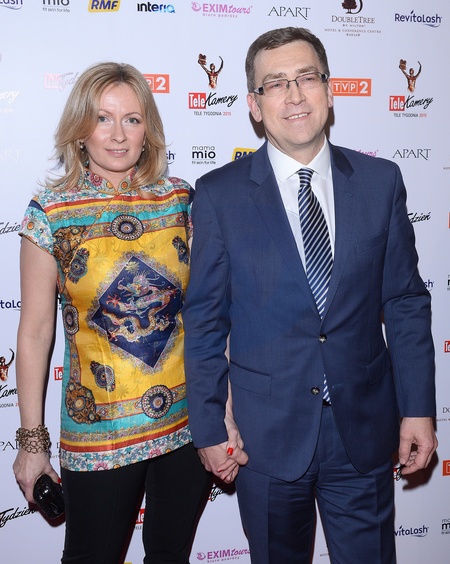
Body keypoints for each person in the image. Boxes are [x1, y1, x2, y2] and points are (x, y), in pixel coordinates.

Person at [183, 27, 438, 563]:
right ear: (254, 105)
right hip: (263, 438)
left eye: (306, 78)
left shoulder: (381, 181)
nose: (294, 95)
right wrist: (207, 425)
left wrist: (418, 409)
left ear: (329, 88)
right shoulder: (219, 195)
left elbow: (405, 302)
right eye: (275, 84)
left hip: (364, 432)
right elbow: (204, 322)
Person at [12, 61, 217, 564]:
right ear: (80, 129)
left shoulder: (181, 201)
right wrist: (32, 442)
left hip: (187, 426)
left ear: (149, 129)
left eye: (132, 119)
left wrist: (224, 412)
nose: (119, 134)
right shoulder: (51, 213)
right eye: (103, 119)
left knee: (170, 556)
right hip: (97, 436)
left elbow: (210, 314)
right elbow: (35, 333)